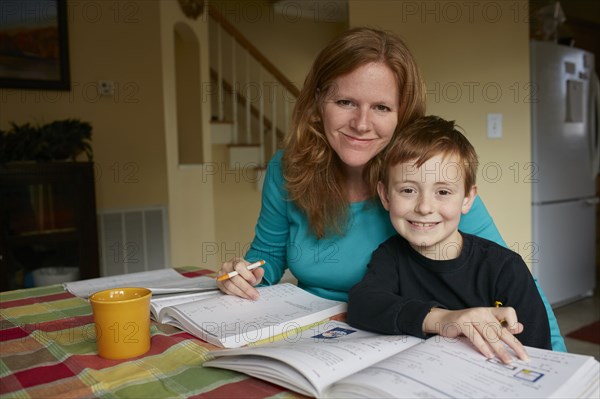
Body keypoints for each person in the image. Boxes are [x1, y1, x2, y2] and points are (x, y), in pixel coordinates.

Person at [216, 27, 565, 353]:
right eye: (345, 102)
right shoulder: (287, 169)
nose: (362, 123)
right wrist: (246, 275)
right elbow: (269, 257)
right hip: (312, 338)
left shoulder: (428, 187)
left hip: (407, 340)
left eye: (381, 107)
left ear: (403, 114)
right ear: (318, 101)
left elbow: (516, 285)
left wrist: (565, 369)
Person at [346, 116, 551, 363]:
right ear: (385, 196)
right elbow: (362, 304)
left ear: (467, 198)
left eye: (442, 192)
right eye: (408, 190)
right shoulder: (390, 256)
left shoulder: (505, 268)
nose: (424, 207)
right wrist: (443, 319)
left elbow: (539, 355)